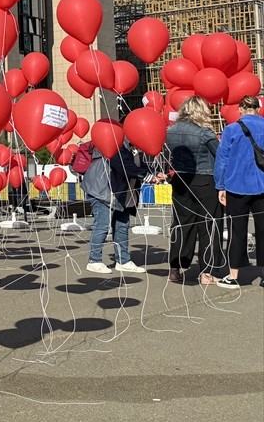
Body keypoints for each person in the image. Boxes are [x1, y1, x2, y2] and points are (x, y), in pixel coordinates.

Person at [163, 96, 223, 284]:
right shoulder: (205, 132)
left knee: (181, 224)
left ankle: (175, 268)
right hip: (204, 179)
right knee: (209, 225)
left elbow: (166, 155)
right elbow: (220, 155)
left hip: (180, 180)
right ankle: (207, 271)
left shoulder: (170, 131)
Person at [213, 94, 264, 289]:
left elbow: (222, 160)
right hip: (262, 185)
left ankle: (234, 274)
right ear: (258, 108)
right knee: (263, 229)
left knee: (237, 230)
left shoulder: (232, 129)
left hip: (237, 185)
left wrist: (220, 186)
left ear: (240, 109)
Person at [80, 139, 150, 274]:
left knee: (122, 226)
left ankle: (123, 261)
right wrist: (148, 177)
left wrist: (154, 173)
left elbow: (138, 166)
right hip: (102, 191)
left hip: (122, 193)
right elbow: (124, 166)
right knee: (102, 225)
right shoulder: (115, 143)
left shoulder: (133, 149)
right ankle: (94, 261)